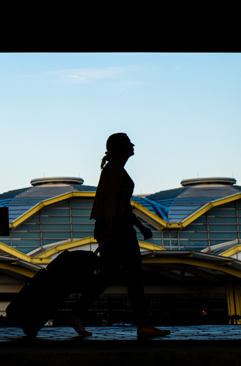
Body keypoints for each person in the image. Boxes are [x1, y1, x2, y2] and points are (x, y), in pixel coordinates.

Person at [68, 133, 170, 339]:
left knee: (110, 275)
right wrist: (110, 225)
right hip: (117, 229)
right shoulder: (114, 168)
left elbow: (122, 206)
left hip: (118, 226)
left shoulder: (115, 168)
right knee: (132, 275)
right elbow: (110, 202)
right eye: (127, 142)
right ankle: (143, 325)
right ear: (118, 147)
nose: (132, 145)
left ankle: (78, 313)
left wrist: (140, 227)